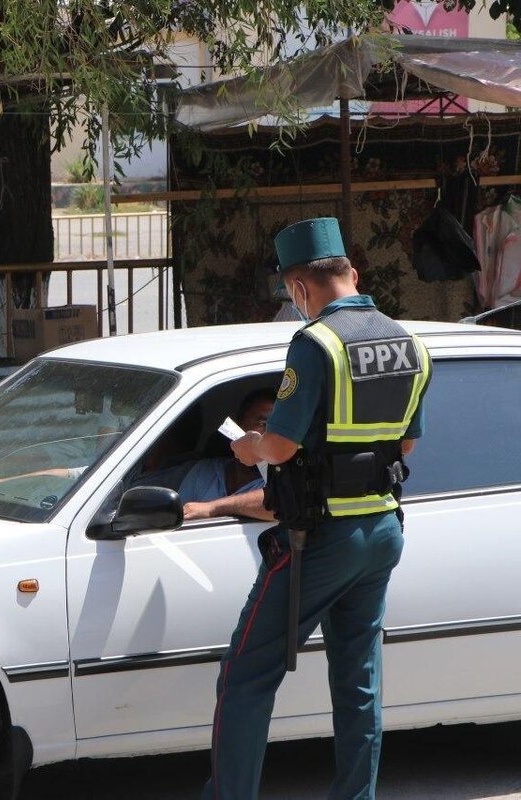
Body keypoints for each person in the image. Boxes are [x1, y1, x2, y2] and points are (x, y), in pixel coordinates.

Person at [202, 217, 431, 799]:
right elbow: (403, 445)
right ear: (352, 273)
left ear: (298, 288)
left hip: (321, 537)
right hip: (381, 529)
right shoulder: (409, 343)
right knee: (358, 681)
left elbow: (278, 446)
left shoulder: (315, 344)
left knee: (247, 676)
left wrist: (247, 444)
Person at [178, 388, 277, 522]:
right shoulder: (205, 471)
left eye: (277, 428)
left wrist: (212, 508)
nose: (269, 433)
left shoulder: (281, 477)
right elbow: (177, 516)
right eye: (263, 423)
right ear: (238, 425)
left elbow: (281, 504)